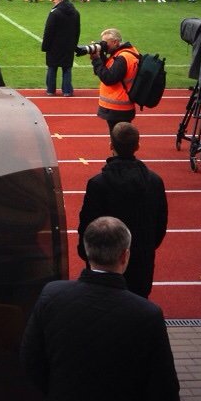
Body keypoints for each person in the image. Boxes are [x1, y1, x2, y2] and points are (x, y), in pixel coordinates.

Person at [21, 216, 180, 401]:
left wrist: (57, 393)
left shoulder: (52, 295)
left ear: (87, 251)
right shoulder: (148, 314)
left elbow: (30, 361)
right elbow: (165, 389)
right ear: (125, 256)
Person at [77, 123, 167, 299]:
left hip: (103, 261)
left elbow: (87, 223)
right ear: (137, 146)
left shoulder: (97, 184)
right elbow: (160, 223)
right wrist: (147, 247)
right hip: (141, 257)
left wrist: (86, 253)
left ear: (111, 146)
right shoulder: (155, 181)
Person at [90, 28, 139, 137]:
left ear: (115, 42)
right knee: (122, 138)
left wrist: (96, 60)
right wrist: (101, 56)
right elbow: (109, 69)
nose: (103, 45)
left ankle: (118, 153)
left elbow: (109, 78)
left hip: (118, 107)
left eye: (105, 43)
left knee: (119, 139)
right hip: (122, 106)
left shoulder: (122, 58)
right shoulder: (126, 53)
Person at [41, 0, 79, 97]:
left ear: (61, 0)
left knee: (52, 67)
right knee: (67, 68)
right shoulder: (75, 12)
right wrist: (74, 45)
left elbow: (48, 31)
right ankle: (67, 91)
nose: (54, 0)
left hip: (54, 46)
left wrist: (45, 46)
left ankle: (50, 90)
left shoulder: (55, 13)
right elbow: (77, 31)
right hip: (69, 46)